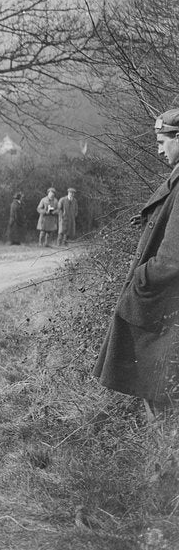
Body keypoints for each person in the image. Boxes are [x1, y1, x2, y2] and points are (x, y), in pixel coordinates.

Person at [95, 108, 179, 415]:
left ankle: (164, 457)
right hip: (161, 304)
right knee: (155, 389)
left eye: (162, 140)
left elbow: (172, 259)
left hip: (162, 303)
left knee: (158, 392)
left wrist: (141, 280)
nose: (158, 148)